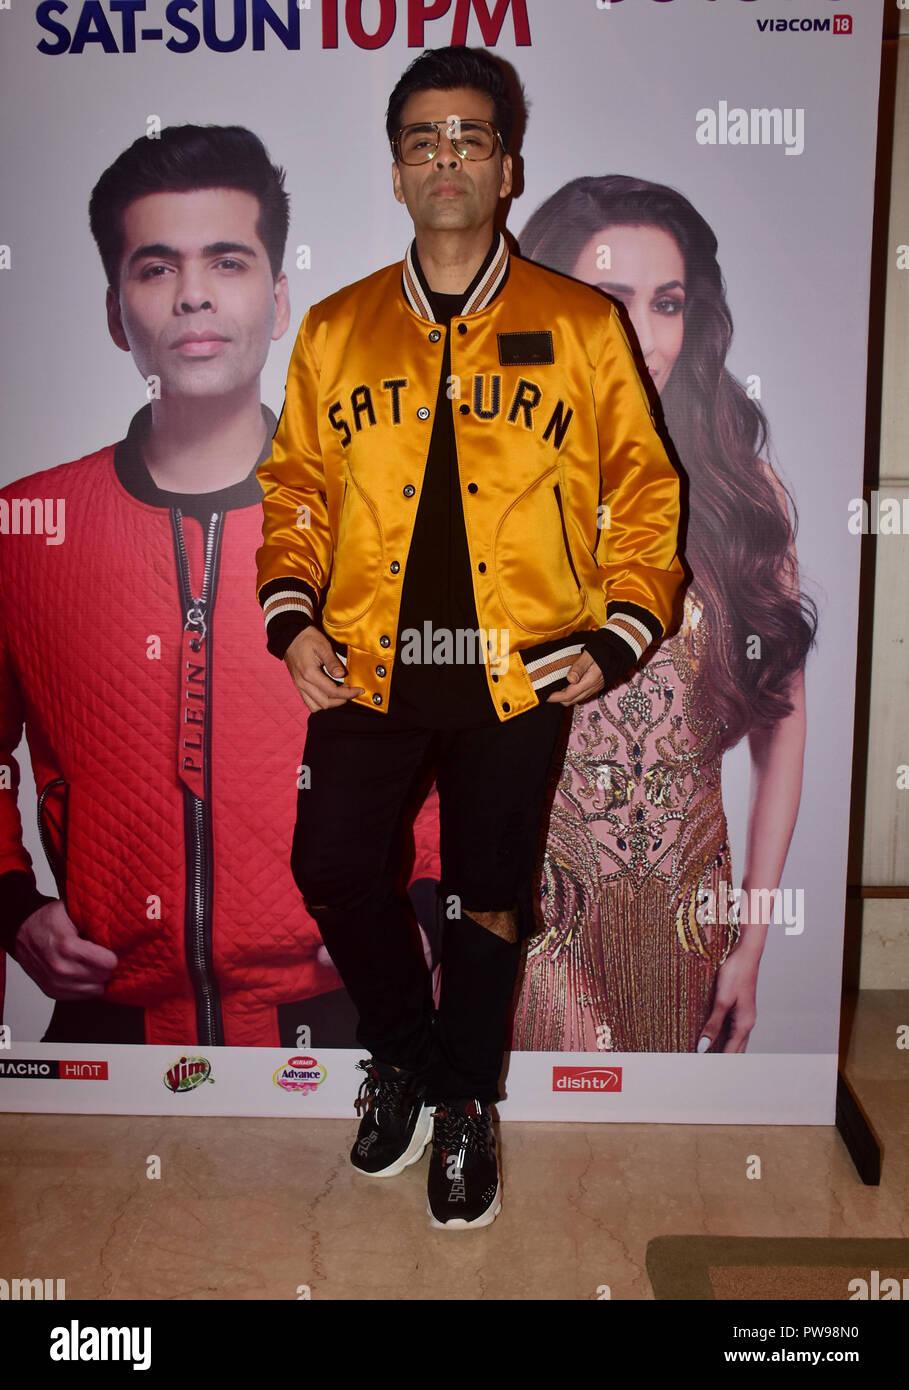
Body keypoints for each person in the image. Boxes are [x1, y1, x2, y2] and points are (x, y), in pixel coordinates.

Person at [256, 51, 684, 1227]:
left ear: (508, 167)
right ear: (397, 173)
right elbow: (292, 485)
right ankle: (401, 1052)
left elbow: (647, 491)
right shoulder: (339, 328)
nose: (447, 157)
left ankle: (467, 1107)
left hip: (515, 666)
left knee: (490, 896)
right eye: (424, 140)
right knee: (335, 867)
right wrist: (290, 615)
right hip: (367, 661)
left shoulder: (581, 325)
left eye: (470, 137)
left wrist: (622, 626)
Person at [0, 123, 441, 1048]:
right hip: (108, 1024)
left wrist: (423, 908)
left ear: (278, 301)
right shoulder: (27, 526)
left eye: (227, 262)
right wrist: (10, 903)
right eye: (155, 268)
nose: (193, 294)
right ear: (116, 312)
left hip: (347, 1008)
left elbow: (447, 736)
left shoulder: (382, 517)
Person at [509, 175, 817, 1054]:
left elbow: (782, 733)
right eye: (607, 300)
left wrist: (751, 944)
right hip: (539, 913)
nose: (641, 332)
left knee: (661, 1170)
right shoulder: (492, 470)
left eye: (666, 302)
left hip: (692, 920)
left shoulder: (735, 489)